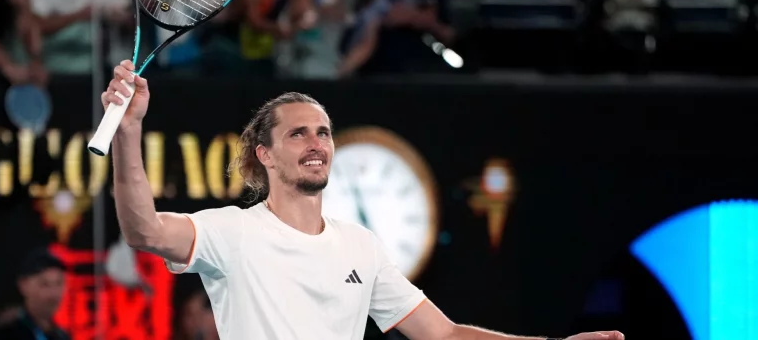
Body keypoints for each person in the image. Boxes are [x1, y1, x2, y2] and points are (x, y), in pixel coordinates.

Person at [102, 61, 625, 340]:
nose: (317, 143)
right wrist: (129, 132)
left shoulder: (362, 248)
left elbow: (443, 336)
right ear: (264, 154)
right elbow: (143, 230)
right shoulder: (230, 233)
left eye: (324, 132)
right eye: (299, 134)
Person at [0, 247, 69, 340]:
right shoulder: (9, 333)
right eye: (45, 284)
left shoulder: (60, 335)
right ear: (23, 285)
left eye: (59, 283)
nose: (53, 294)